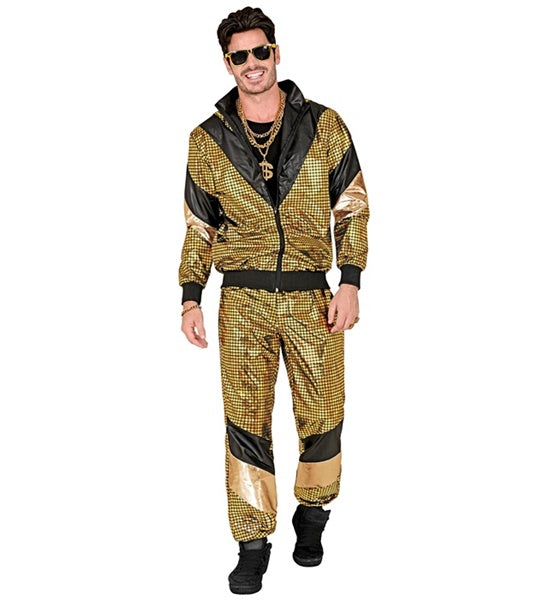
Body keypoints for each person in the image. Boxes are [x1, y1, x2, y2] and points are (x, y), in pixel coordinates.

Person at [178, 6, 369, 595]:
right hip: (243, 299)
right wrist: (190, 297)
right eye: (240, 56)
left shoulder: (325, 125)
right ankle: (252, 544)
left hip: (313, 296)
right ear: (227, 63)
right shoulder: (207, 140)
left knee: (324, 415)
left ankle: (312, 515)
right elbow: (198, 225)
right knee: (245, 423)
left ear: (276, 53)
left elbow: (352, 206)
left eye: (261, 51)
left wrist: (350, 279)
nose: (252, 63)